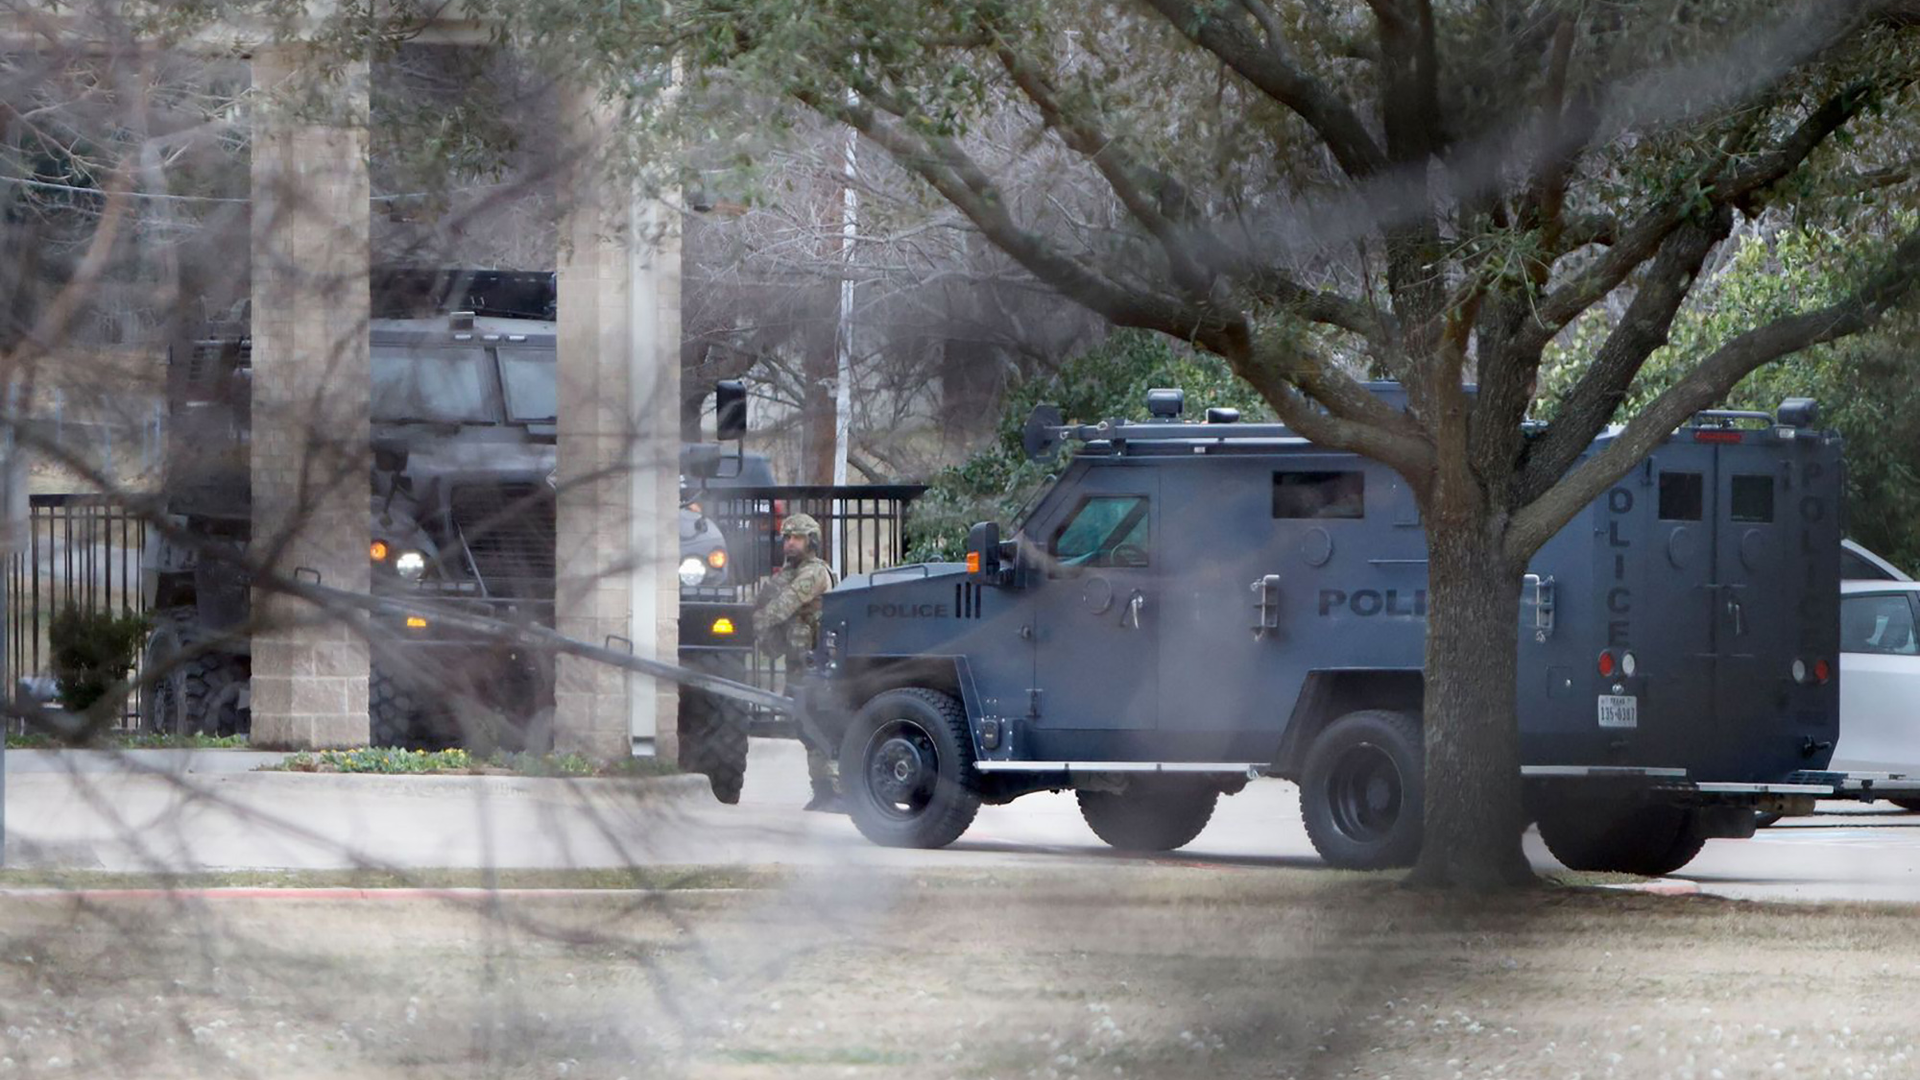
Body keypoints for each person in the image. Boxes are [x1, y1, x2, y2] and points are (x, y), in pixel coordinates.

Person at [752, 513, 841, 811]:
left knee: (820, 726)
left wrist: (759, 621)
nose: (790, 543)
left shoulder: (815, 573)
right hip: (798, 664)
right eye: (787, 537)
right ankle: (822, 791)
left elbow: (783, 605)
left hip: (819, 666)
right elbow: (764, 601)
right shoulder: (786, 574)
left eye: (797, 538)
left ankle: (837, 791)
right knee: (805, 728)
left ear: (811, 541)